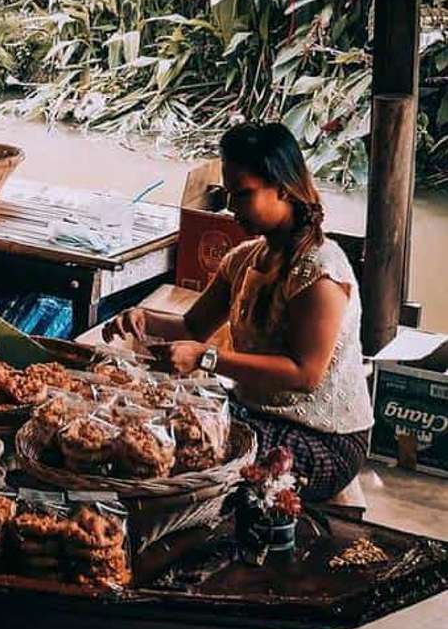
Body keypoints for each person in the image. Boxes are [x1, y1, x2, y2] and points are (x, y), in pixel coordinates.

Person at [104, 121, 372, 502]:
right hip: (253, 412)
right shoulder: (243, 259)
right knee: (142, 432)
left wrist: (208, 359)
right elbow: (191, 326)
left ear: (283, 188)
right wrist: (143, 320)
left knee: (191, 459)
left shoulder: (320, 270)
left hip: (323, 439)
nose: (231, 208)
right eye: (229, 194)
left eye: (243, 194)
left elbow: (305, 374)